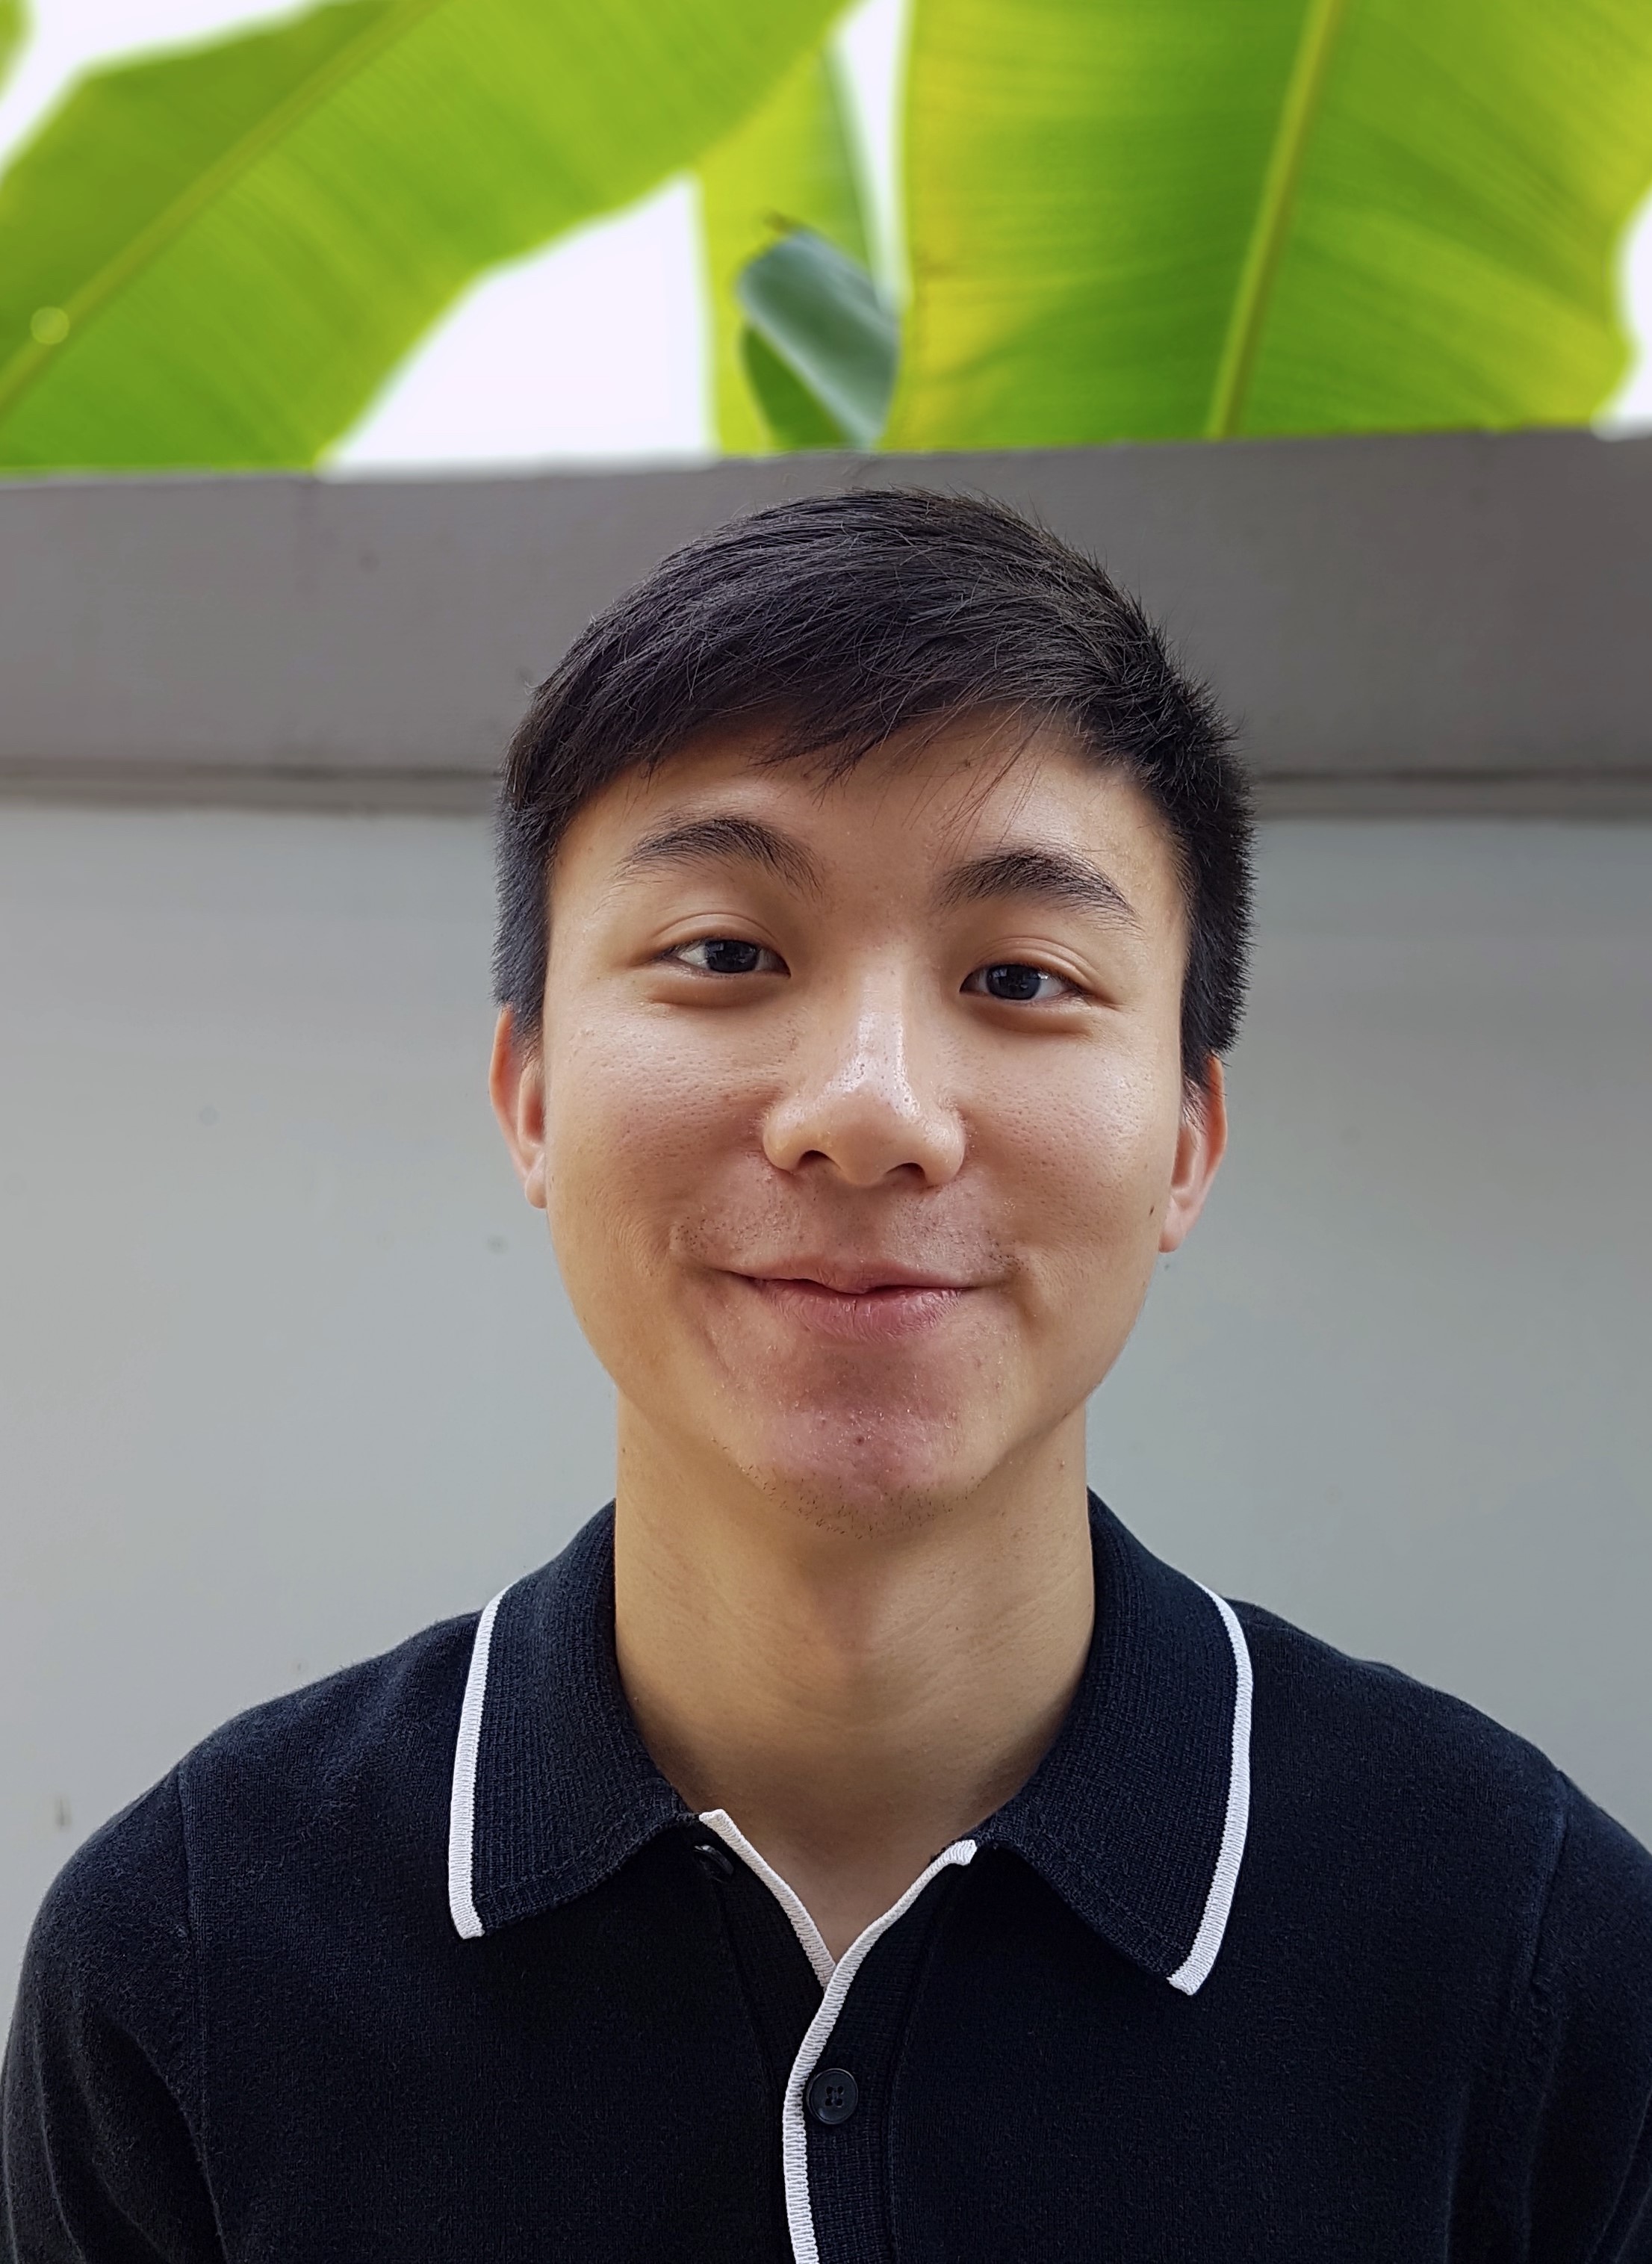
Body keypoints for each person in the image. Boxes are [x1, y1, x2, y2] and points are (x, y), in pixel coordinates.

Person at [3, 489, 1649, 2263]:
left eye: (1018, 975)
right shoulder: (185, 1956)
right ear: (531, 1096)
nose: (868, 1105)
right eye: (725, 952)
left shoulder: (1529, 1957)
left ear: (1185, 1141)